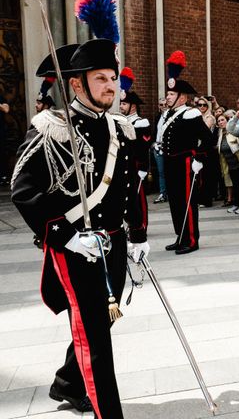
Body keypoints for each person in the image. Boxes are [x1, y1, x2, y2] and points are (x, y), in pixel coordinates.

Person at [12, 39, 148, 419]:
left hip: (114, 244)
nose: (112, 86)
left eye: (113, 78)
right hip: (74, 246)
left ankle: (69, 383)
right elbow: (22, 189)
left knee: (101, 321)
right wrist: (66, 236)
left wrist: (138, 236)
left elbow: (128, 183)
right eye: (101, 79)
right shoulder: (51, 127)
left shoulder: (121, 128)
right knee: (96, 343)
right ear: (76, 84)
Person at [161, 55, 213, 255]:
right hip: (171, 162)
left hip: (184, 163)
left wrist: (198, 158)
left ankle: (191, 239)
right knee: (175, 202)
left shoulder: (190, 113)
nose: (168, 97)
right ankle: (180, 236)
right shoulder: (168, 114)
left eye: (171, 94)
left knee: (187, 202)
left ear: (182, 97)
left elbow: (207, 139)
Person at [119, 74, 152, 233]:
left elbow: (143, 147)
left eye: (124, 103)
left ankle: (142, 225)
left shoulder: (140, 123)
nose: (121, 106)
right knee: (128, 198)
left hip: (137, 166)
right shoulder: (121, 122)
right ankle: (131, 225)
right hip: (125, 166)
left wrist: (144, 168)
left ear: (133, 106)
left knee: (138, 199)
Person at [217, 111, 239, 209]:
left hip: (237, 162)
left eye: (222, 120)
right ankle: (236, 203)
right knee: (233, 184)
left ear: (227, 121)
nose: (220, 122)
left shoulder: (233, 131)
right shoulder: (220, 134)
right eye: (218, 121)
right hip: (228, 163)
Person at [152, 97, 168, 203]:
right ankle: (163, 193)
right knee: (161, 172)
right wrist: (153, 143)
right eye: (161, 105)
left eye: (165, 104)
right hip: (157, 147)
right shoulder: (158, 117)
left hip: (166, 147)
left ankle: (170, 193)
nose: (163, 107)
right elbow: (155, 131)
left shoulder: (171, 116)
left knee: (169, 171)